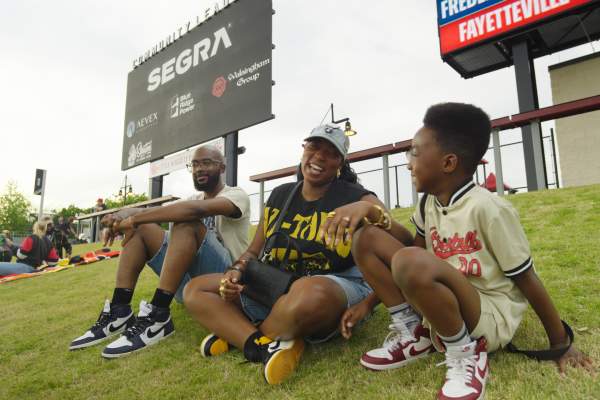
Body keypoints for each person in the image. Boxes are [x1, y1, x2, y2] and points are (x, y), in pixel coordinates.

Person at [322, 103, 593, 400]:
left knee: (411, 260)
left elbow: (526, 278)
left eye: (415, 152)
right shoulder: (430, 204)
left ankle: (466, 353)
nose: (409, 162)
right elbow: (409, 252)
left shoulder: (488, 208)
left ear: (448, 163)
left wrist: (560, 343)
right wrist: (369, 300)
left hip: (487, 313)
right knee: (366, 238)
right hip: (442, 301)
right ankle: (416, 334)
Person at [183, 124, 389, 385]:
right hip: (278, 284)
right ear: (303, 150)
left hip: (335, 286)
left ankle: (239, 333)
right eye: (313, 147)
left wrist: (368, 210)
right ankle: (264, 344)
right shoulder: (281, 195)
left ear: (340, 163)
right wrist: (235, 272)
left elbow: (400, 243)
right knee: (195, 290)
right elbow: (253, 251)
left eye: (331, 152)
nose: (319, 157)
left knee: (309, 293)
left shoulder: (355, 196)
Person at [69, 145, 250, 358]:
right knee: (143, 229)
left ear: (222, 168)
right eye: (195, 164)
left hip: (224, 283)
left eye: (206, 163)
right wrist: (119, 217)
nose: (199, 168)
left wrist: (133, 218)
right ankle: (120, 311)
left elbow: (194, 211)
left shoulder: (237, 195)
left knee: (186, 221)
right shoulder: (194, 198)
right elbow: (151, 212)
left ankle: (158, 316)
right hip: (191, 287)